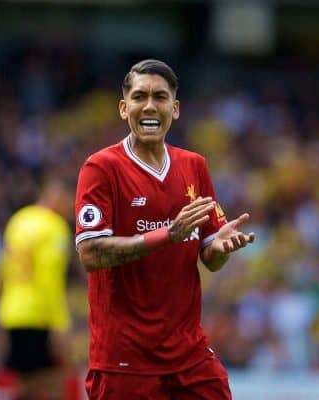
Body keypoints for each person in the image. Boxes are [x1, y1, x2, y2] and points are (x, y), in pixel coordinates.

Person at [74, 59, 255, 399]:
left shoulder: (194, 165)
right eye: (140, 96)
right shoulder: (101, 168)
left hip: (189, 355)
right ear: (123, 107)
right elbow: (90, 253)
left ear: (176, 107)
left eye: (160, 97)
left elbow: (208, 254)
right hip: (125, 359)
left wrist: (220, 250)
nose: (149, 106)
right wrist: (166, 235)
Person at [0, 179, 73, 400]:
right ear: (56, 197)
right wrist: (60, 323)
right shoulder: (54, 227)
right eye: (69, 202)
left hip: (12, 311)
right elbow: (50, 279)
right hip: (38, 314)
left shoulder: (18, 220)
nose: (70, 209)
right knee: (52, 383)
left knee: (27, 382)